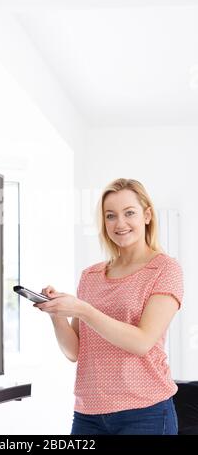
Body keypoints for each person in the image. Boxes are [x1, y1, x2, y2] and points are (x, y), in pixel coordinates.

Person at [34, 178, 183, 435]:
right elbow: (74, 352)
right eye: (110, 216)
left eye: (129, 213)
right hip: (88, 414)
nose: (120, 223)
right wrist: (57, 313)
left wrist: (83, 310)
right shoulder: (90, 276)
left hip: (145, 413)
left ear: (147, 215)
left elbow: (142, 341)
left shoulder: (165, 269)